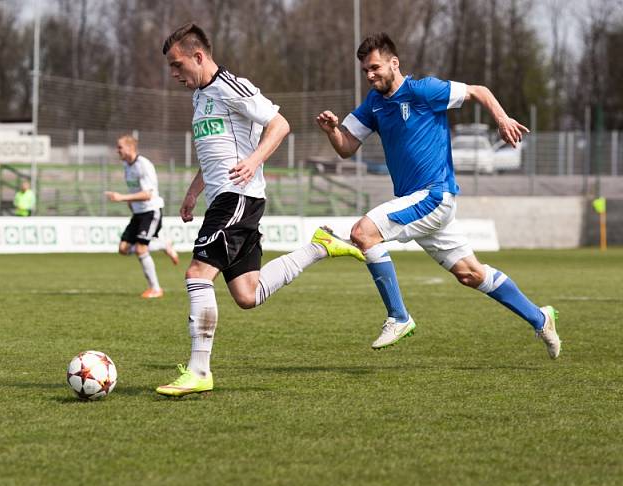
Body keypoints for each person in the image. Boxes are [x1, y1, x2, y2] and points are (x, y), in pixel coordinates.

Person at [316, 32, 560, 357]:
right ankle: (540, 317)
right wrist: (333, 130)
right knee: (470, 274)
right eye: (365, 71)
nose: (370, 75)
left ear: (394, 63)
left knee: (363, 233)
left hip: (434, 196)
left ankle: (399, 317)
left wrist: (502, 120)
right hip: (420, 204)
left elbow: (479, 91)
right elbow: (347, 147)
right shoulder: (373, 105)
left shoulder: (423, 90)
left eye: (375, 67)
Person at [155, 23, 364, 397]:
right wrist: (191, 193)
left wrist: (254, 160)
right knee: (247, 295)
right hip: (224, 198)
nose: (174, 74)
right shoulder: (200, 96)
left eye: (177, 65)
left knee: (197, 273)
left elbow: (280, 124)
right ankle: (319, 246)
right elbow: (215, 151)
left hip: (237, 196)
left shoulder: (232, 86)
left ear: (198, 57)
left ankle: (200, 370)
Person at [104, 135, 180, 299]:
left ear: (130, 148)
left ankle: (156, 289)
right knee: (123, 249)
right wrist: (130, 204)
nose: (117, 151)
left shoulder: (143, 165)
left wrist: (122, 198)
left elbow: (148, 194)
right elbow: (135, 190)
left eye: (120, 147)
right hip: (138, 213)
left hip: (151, 211)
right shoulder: (126, 165)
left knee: (140, 249)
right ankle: (162, 245)